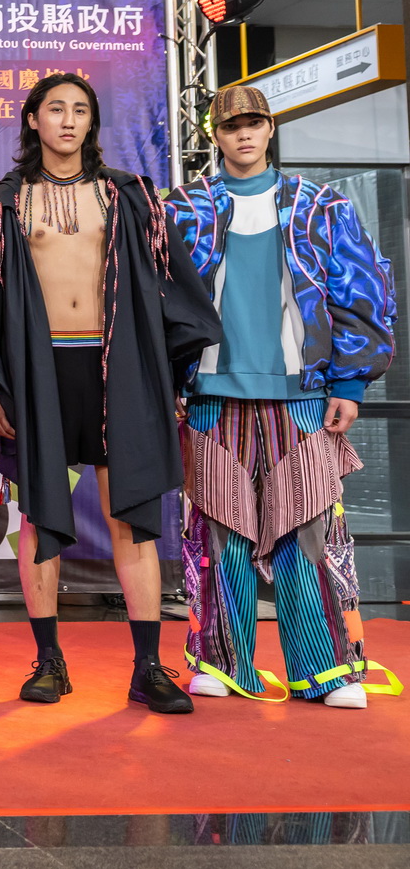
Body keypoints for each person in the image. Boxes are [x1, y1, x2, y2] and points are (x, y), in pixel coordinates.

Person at [0, 73, 220, 714]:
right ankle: (48, 662)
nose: (68, 120)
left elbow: (169, 283)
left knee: (130, 519)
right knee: (39, 518)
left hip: (118, 369)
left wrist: (167, 376)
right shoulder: (5, 202)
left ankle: (148, 668)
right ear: (32, 119)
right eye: (55, 108)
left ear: (92, 122)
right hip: (40, 371)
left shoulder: (128, 196)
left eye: (80, 110)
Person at [167, 85, 398, 708]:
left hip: (302, 393)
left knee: (311, 528)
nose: (243, 133)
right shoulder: (183, 209)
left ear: (270, 129)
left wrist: (350, 384)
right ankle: (220, 661)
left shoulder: (322, 207)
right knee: (218, 533)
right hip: (211, 392)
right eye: (230, 125)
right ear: (215, 135)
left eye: (254, 122)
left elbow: (361, 293)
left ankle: (326, 670)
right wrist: (169, 380)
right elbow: (156, 300)